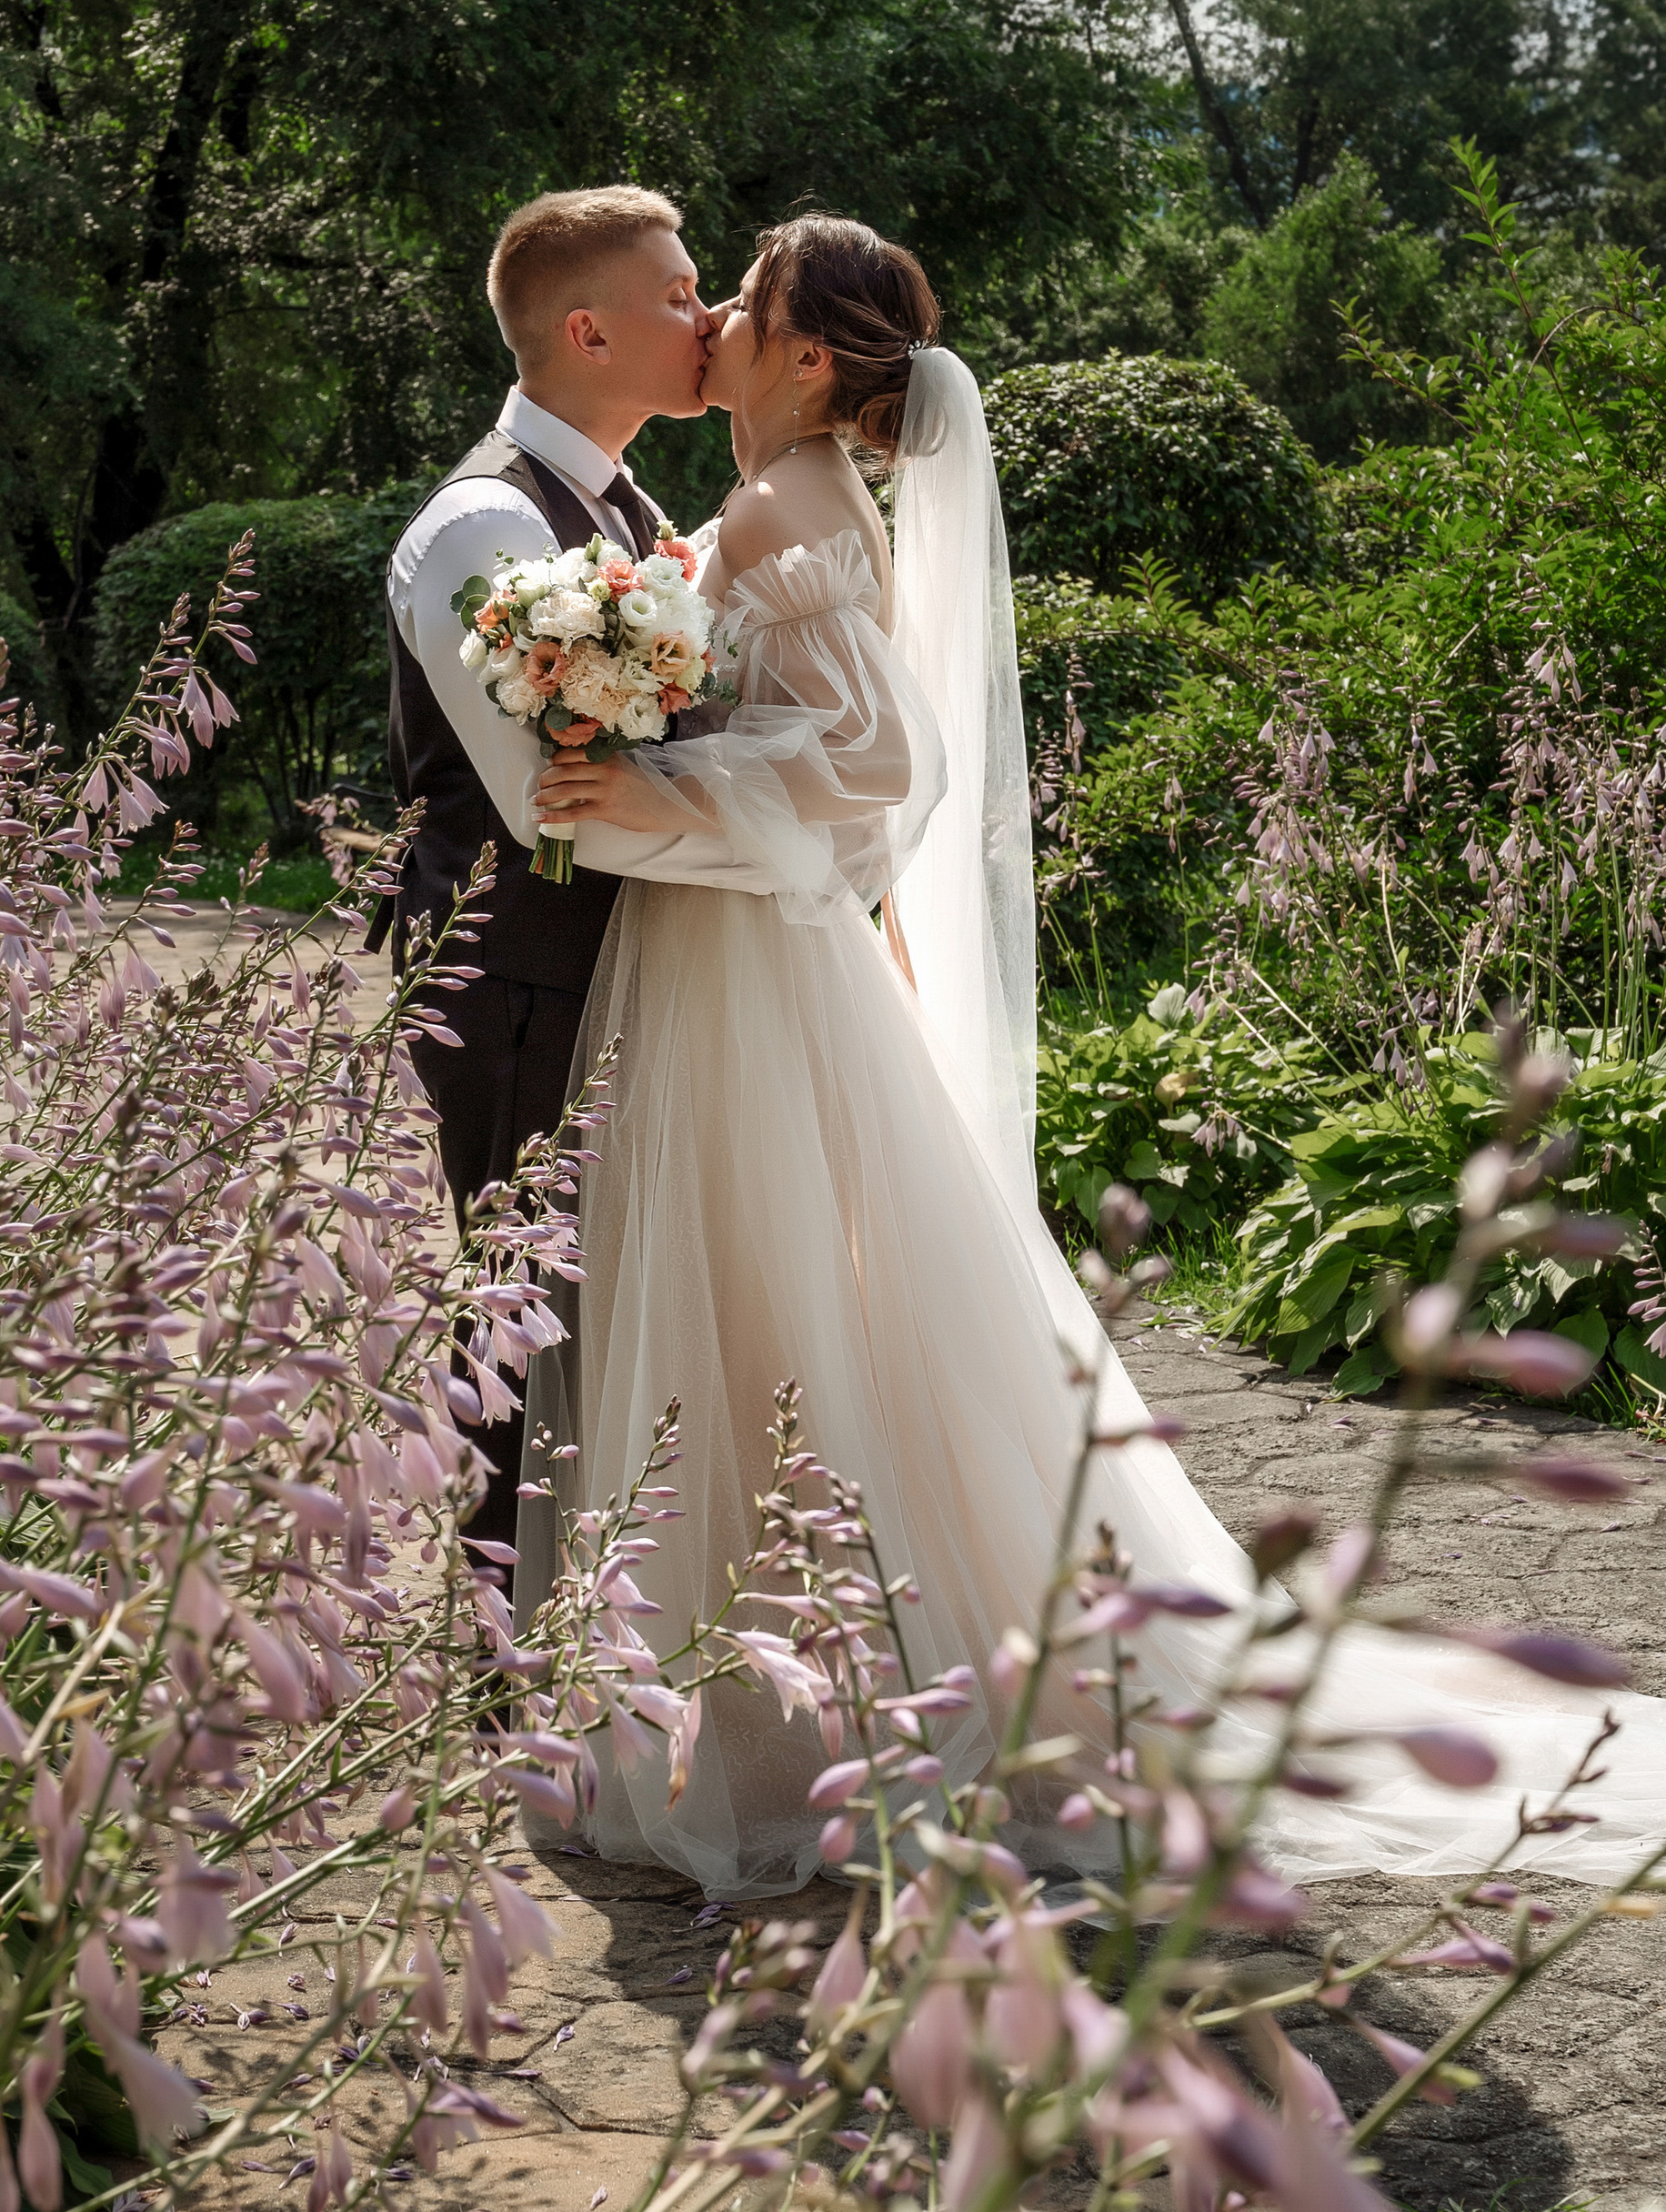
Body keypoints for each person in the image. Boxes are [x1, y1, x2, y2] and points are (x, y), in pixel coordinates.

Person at [517, 211, 1666, 1894]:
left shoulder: (783, 507)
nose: (721, 323)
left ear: (813, 356)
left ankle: (784, 1713)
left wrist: (655, 794)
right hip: (738, 958)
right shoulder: (782, 501)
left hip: (746, 972)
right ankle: (782, 1698)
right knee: (778, 1318)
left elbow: (879, 767)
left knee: (761, 1311)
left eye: (746, 303)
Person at [374, 184, 787, 1568]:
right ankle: (505, 1678)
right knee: (523, 1316)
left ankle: (603, 1641)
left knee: (618, 1313)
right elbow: (564, 819)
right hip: (520, 980)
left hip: (621, 972)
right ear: (589, 330)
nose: (712, 314)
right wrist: (795, 850)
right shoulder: (482, 531)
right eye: (680, 295)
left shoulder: (627, 504)